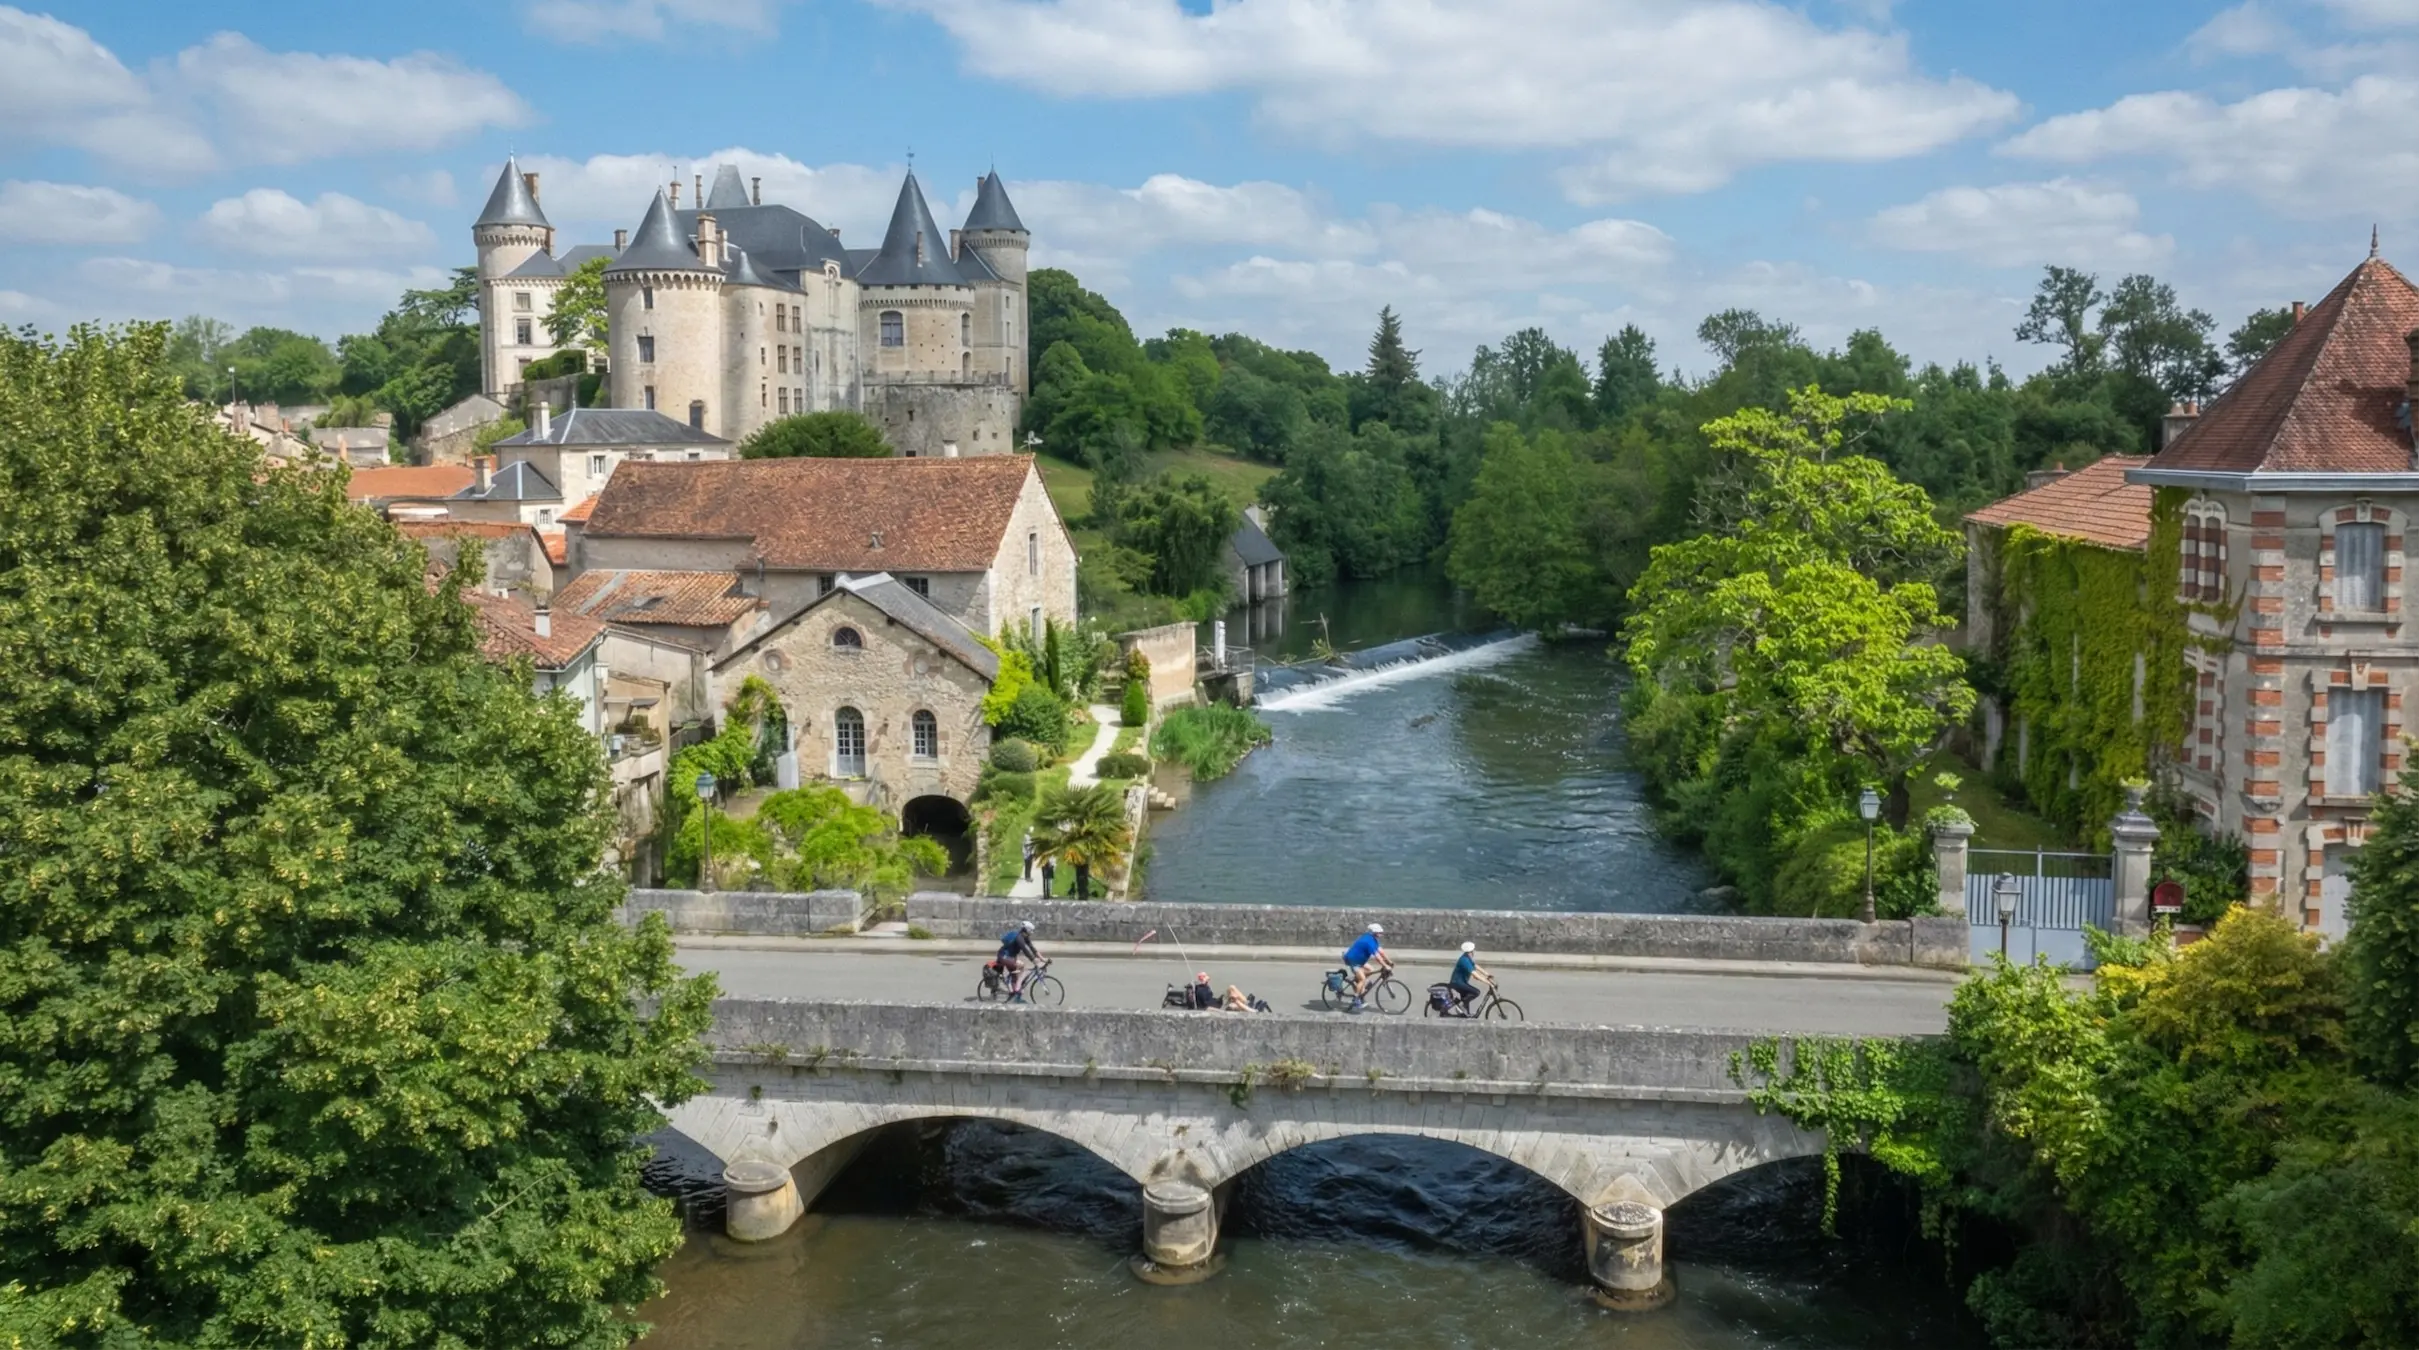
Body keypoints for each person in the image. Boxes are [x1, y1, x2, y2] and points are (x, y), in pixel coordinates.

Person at [1339, 923, 1391, 1012]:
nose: (1381, 935)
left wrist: (1389, 961)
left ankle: (1358, 982)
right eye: (1379, 933)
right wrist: (1385, 965)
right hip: (1353, 961)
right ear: (1374, 933)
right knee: (1362, 979)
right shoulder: (1368, 942)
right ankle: (1355, 999)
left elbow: (1380, 951)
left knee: (1371, 969)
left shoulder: (1373, 939)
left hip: (1360, 961)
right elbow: (1377, 957)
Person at [995, 919, 1040, 999]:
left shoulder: (1025, 937)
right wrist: (1033, 959)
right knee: (1022, 966)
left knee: (1015, 976)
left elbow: (1032, 948)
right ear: (1027, 930)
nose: (1032, 933)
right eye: (1031, 931)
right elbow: (1025, 950)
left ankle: (1014, 994)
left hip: (1010, 957)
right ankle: (1016, 989)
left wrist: (1043, 959)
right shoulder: (1019, 938)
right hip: (1004, 956)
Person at [1448, 941, 1494, 1016]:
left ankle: (1465, 1014)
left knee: (1467, 996)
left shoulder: (1467, 957)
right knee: (1476, 992)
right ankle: (1461, 1005)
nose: (1474, 952)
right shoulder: (1464, 960)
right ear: (1471, 951)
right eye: (1473, 950)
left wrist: (1487, 974)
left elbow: (1475, 966)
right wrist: (1488, 982)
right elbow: (1474, 973)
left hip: (1462, 982)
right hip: (1457, 983)